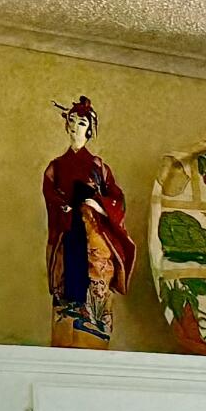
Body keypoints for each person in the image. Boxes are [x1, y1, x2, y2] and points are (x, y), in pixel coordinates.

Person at [41, 96, 137, 349]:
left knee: (96, 285)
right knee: (65, 287)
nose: (75, 127)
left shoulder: (99, 167)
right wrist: (67, 207)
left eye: (81, 122)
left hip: (94, 235)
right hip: (68, 230)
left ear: (90, 129)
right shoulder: (55, 167)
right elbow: (50, 195)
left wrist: (98, 205)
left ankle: (94, 338)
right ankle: (65, 339)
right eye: (71, 121)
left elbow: (117, 199)